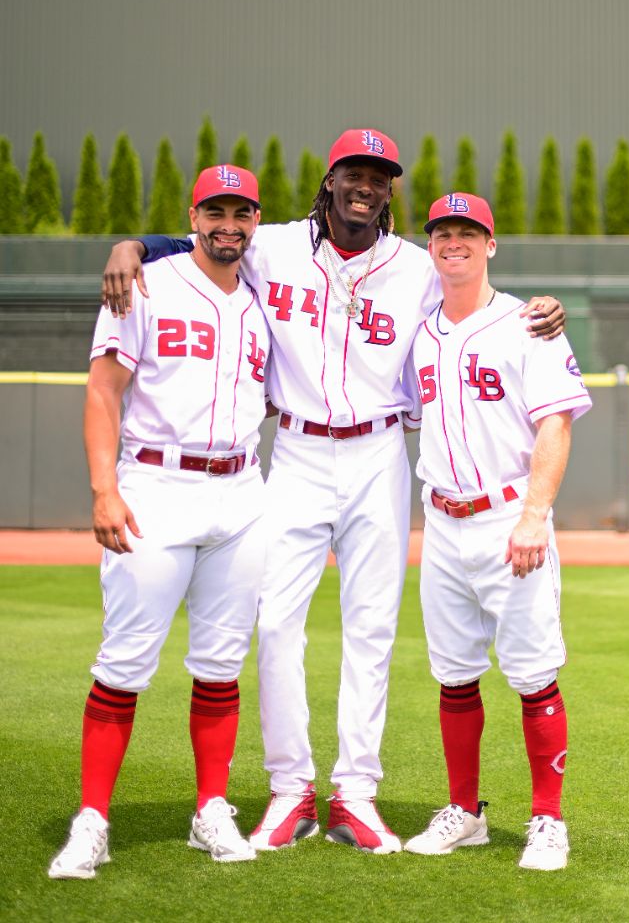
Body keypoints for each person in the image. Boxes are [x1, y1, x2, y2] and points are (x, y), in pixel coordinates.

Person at [100, 130, 566, 855]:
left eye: (380, 177)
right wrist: (134, 244)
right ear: (330, 179)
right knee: (277, 621)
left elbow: (483, 293)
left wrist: (544, 305)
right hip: (297, 449)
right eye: (355, 171)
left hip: (380, 449)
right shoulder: (274, 245)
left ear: (389, 191)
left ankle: (356, 792)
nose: (366, 186)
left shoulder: (416, 266)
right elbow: (205, 242)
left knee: (371, 627)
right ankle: (292, 790)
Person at [49, 165, 270, 879]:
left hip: (239, 489)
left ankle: (211, 808)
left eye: (241, 212)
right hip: (156, 482)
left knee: (220, 664)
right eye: (216, 211)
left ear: (256, 221)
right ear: (192, 215)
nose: (228, 225)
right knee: (124, 664)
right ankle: (92, 822)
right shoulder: (144, 283)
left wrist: (129, 242)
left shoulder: (263, 298)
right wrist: (103, 490)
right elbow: (103, 392)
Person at [403, 193, 592, 870]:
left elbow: (556, 424)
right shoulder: (420, 333)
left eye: (468, 231)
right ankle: (466, 811)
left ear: (491, 243)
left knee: (534, 675)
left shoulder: (528, 324)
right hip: (444, 522)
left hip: (509, 517)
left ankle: (548, 819)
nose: (455, 241)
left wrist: (535, 515)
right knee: (454, 676)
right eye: (444, 232)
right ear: (431, 246)